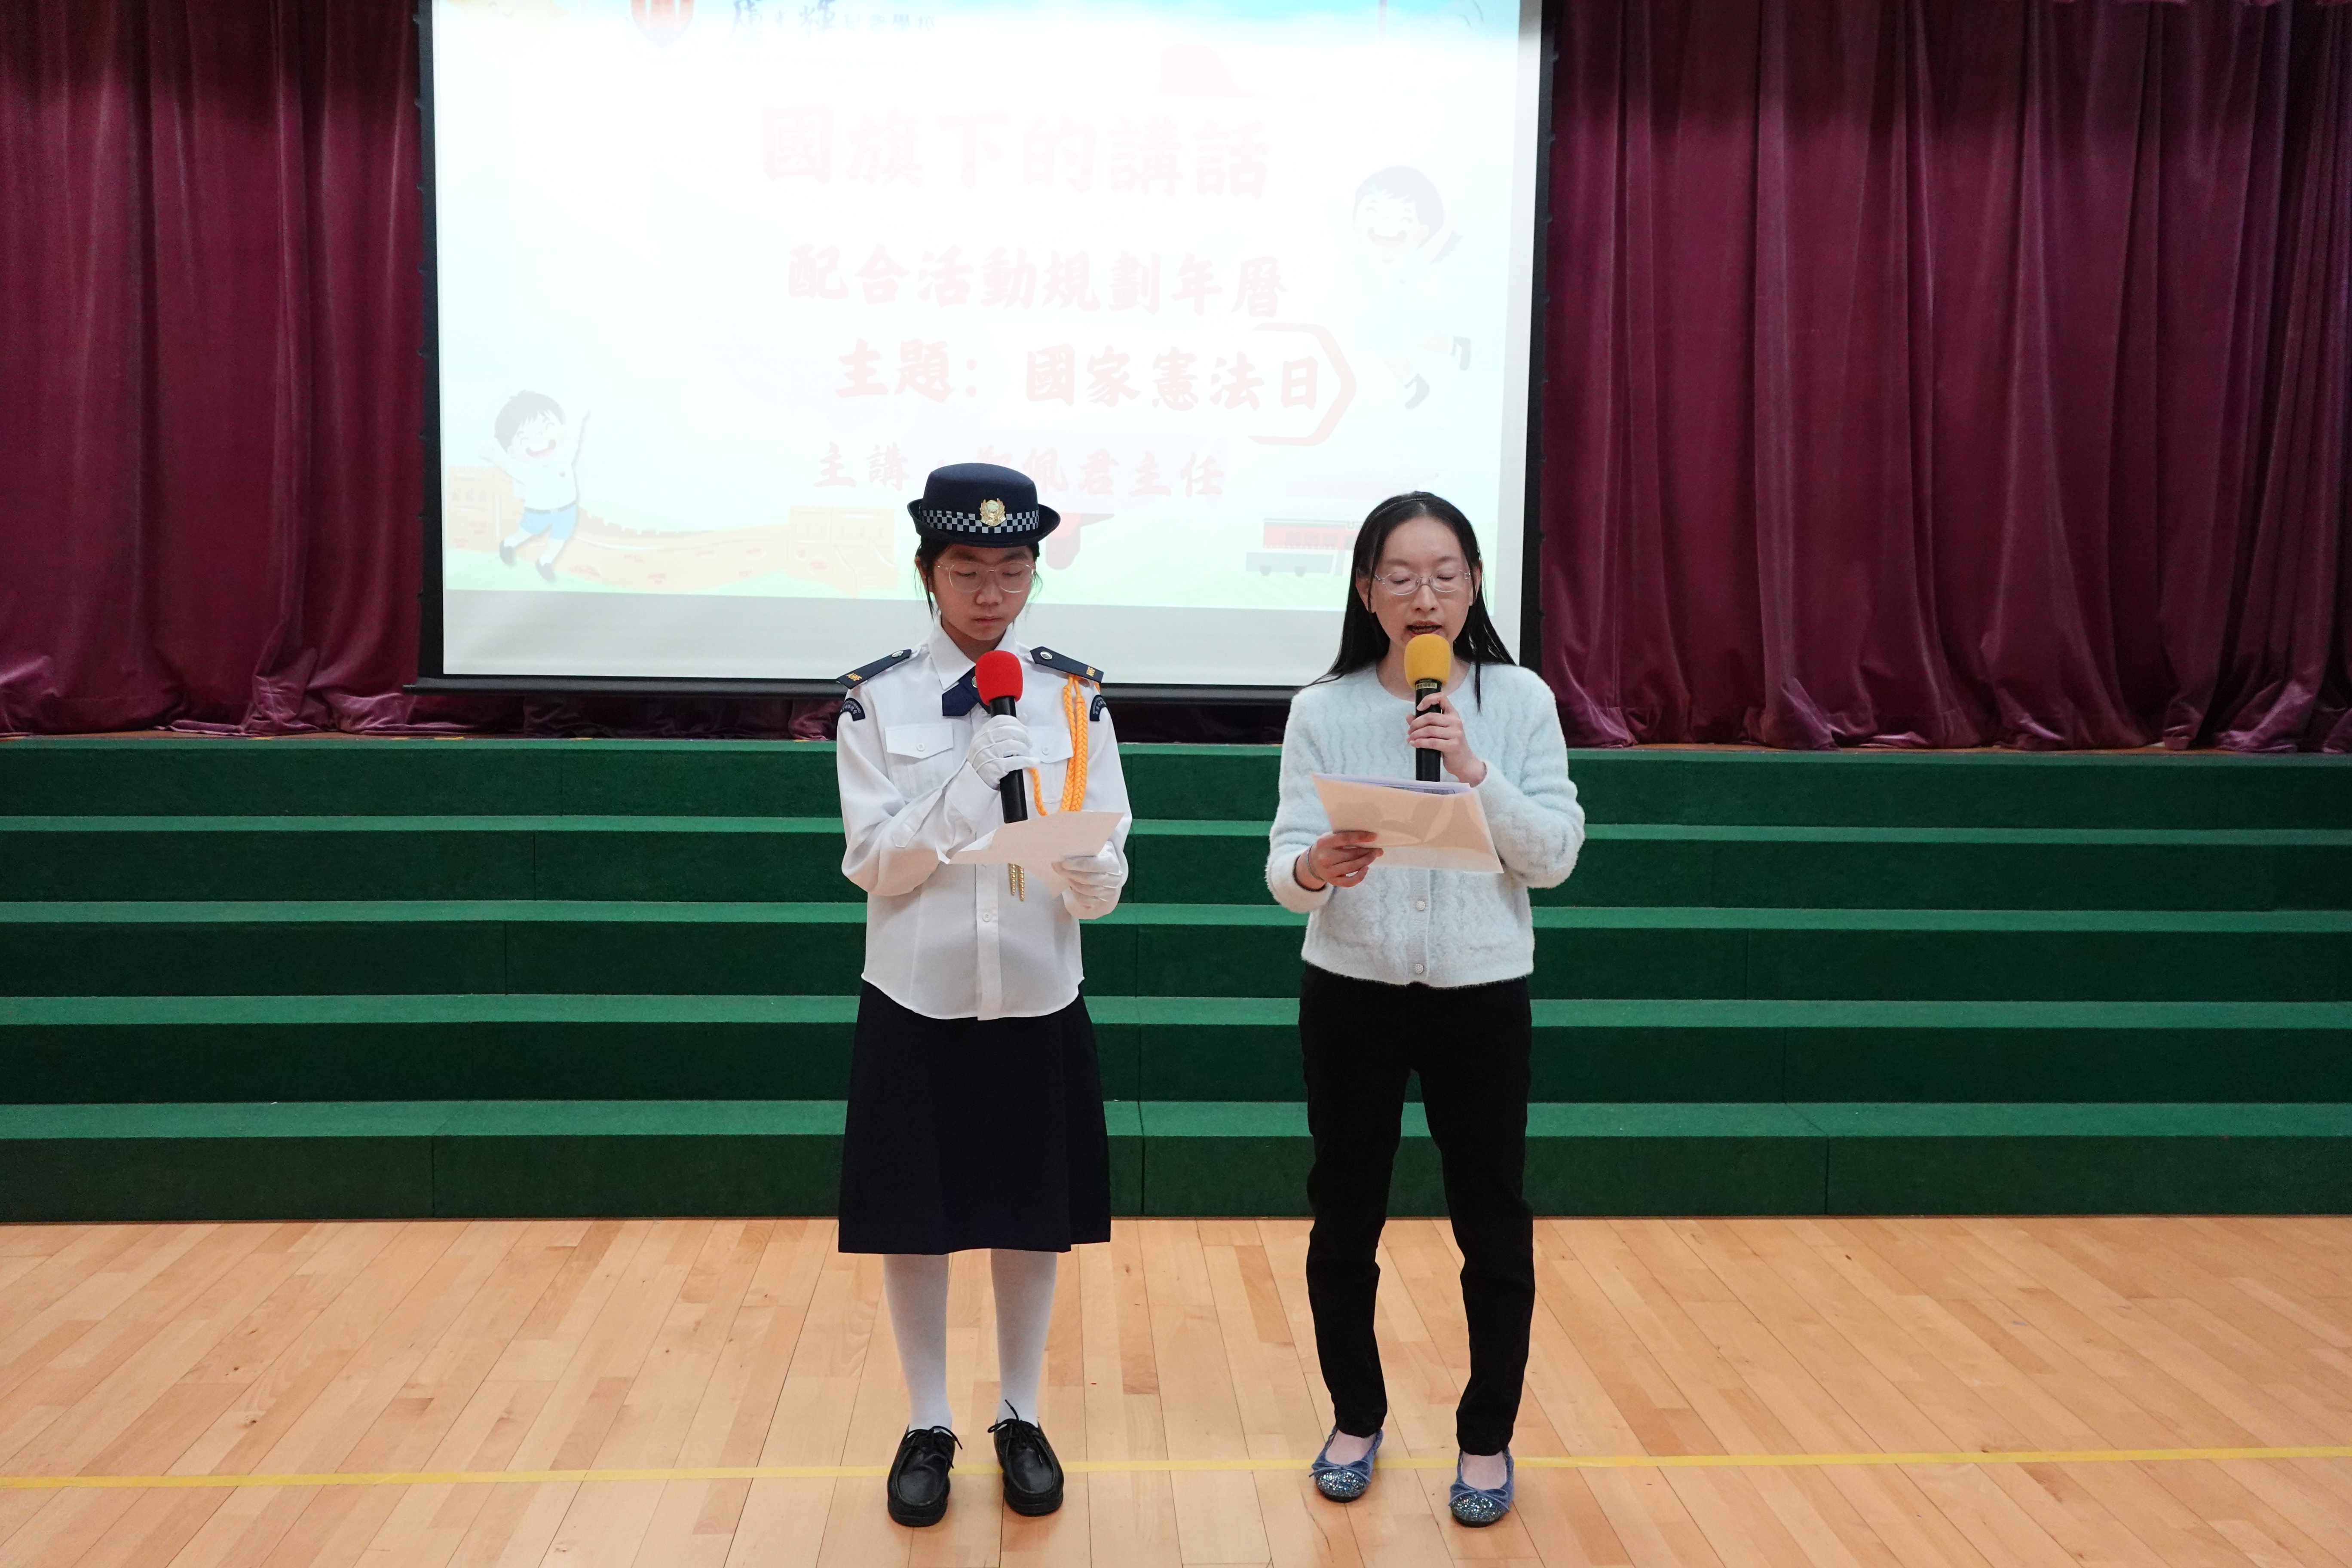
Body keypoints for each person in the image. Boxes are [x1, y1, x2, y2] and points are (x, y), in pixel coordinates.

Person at [1265, 491, 1584, 1527]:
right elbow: (1284, 864)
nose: (1424, 596)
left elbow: (1554, 856)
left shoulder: (1519, 700)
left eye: (1445, 575)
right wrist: (1315, 866)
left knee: (1491, 1219)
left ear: (1475, 586)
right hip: (1352, 992)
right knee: (1344, 1214)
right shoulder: (1324, 708)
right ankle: (1355, 1417)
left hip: (1480, 995)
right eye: (1400, 577)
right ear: (1367, 591)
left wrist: (1472, 769)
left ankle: (1486, 1436)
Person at [833, 461, 1131, 1529]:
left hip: (1040, 987)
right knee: (913, 1217)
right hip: (918, 991)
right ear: (929, 573)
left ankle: (1020, 1413)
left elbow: (1109, 851)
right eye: (967, 570)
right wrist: (964, 789)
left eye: (1013, 570)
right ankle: (927, 1422)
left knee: (1029, 1212)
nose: (991, 592)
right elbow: (874, 863)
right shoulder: (877, 701)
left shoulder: (1073, 697)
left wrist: (1096, 874)